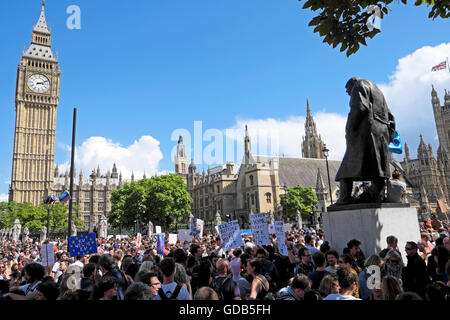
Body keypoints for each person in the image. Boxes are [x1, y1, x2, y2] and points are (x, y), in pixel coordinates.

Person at [333, 77, 395, 206]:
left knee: (346, 169)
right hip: (381, 133)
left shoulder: (359, 85)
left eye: (347, 90)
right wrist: (389, 137)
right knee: (378, 168)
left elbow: (359, 107)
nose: (348, 93)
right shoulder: (378, 91)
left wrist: (350, 128)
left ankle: (344, 198)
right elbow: (391, 117)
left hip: (366, 132)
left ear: (352, 84)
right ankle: (376, 196)